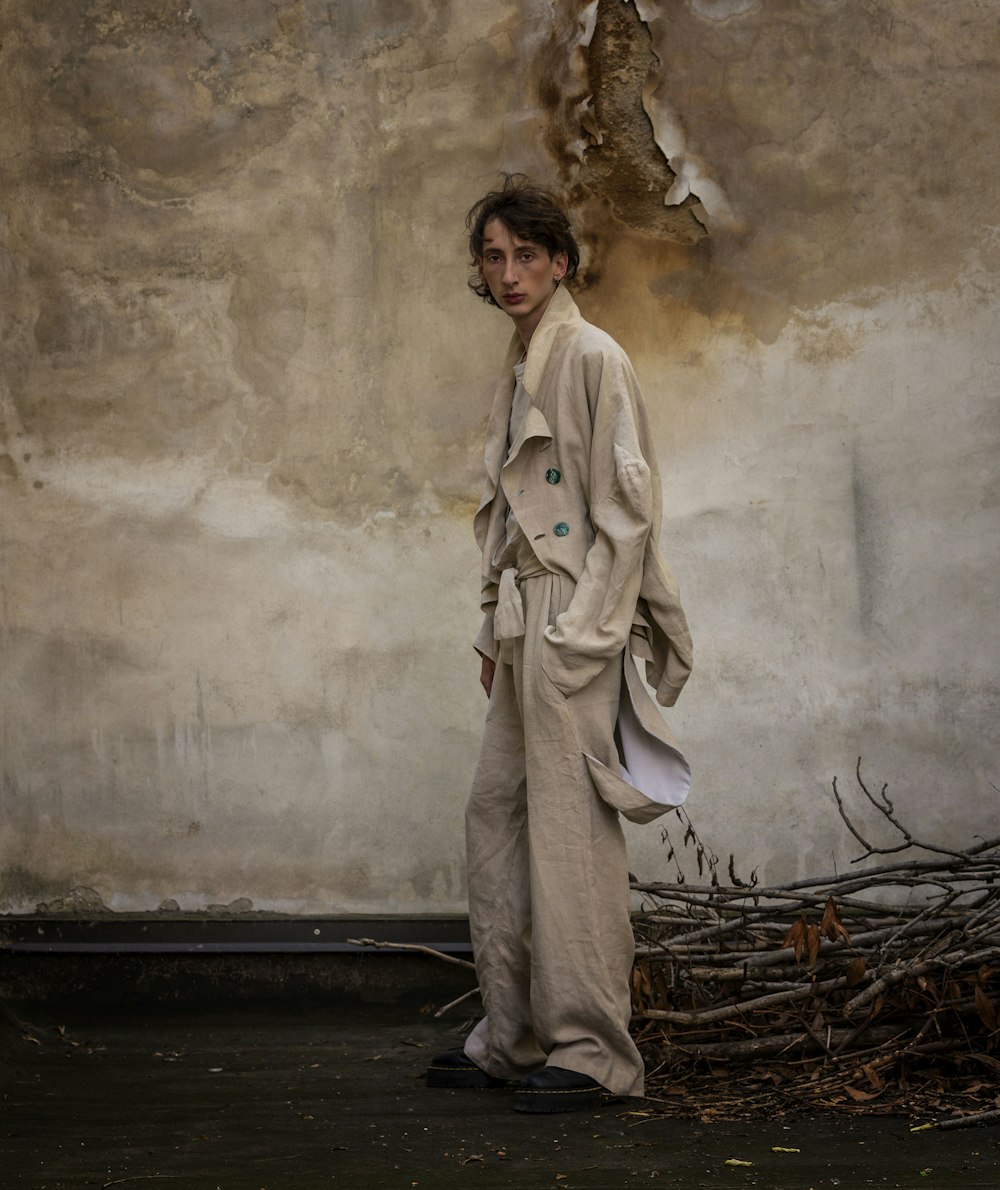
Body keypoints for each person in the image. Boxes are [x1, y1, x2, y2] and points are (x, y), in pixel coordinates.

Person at [426, 175, 694, 1114]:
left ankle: (593, 1053)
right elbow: (507, 511)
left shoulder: (590, 355)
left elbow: (628, 506)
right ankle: (512, 1032)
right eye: (493, 258)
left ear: (560, 262)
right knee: (494, 815)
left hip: (573, 616)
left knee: (573, 831)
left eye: (525, 255)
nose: (508, 273)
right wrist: (492, 621)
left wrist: (588, 629)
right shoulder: (523, 360)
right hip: (523, 622)